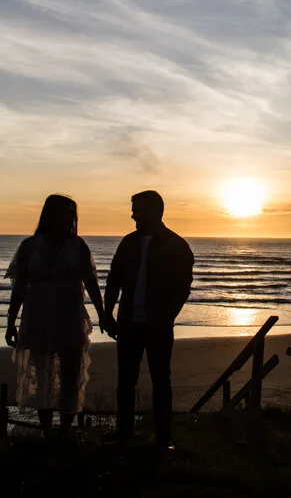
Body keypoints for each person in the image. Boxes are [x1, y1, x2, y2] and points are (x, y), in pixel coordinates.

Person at [5, 194, 117, 434]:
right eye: (63, 211)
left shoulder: (78, 246)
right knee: (43, 376)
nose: (68, 217)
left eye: (71, 213)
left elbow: (91, 283)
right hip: (37, 318)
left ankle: (65, 431)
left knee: (70, 376)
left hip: (70, 317)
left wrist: (102, 314)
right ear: (50, 213)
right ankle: (47, 431)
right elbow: (19, 287)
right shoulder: (29, 246)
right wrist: (10, 321)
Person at [105, 190, 193, 448]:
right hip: (129, 323)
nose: (133, 214)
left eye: (137, 210)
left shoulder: (177, 245)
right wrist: (107, 313)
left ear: (154, 211)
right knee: (125, 382)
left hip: (158, 326)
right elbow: (114, 280)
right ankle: (124, 436)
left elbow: (182, 288)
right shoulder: (128, 243)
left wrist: (166, 317)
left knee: (161, 382)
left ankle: (163, 438)